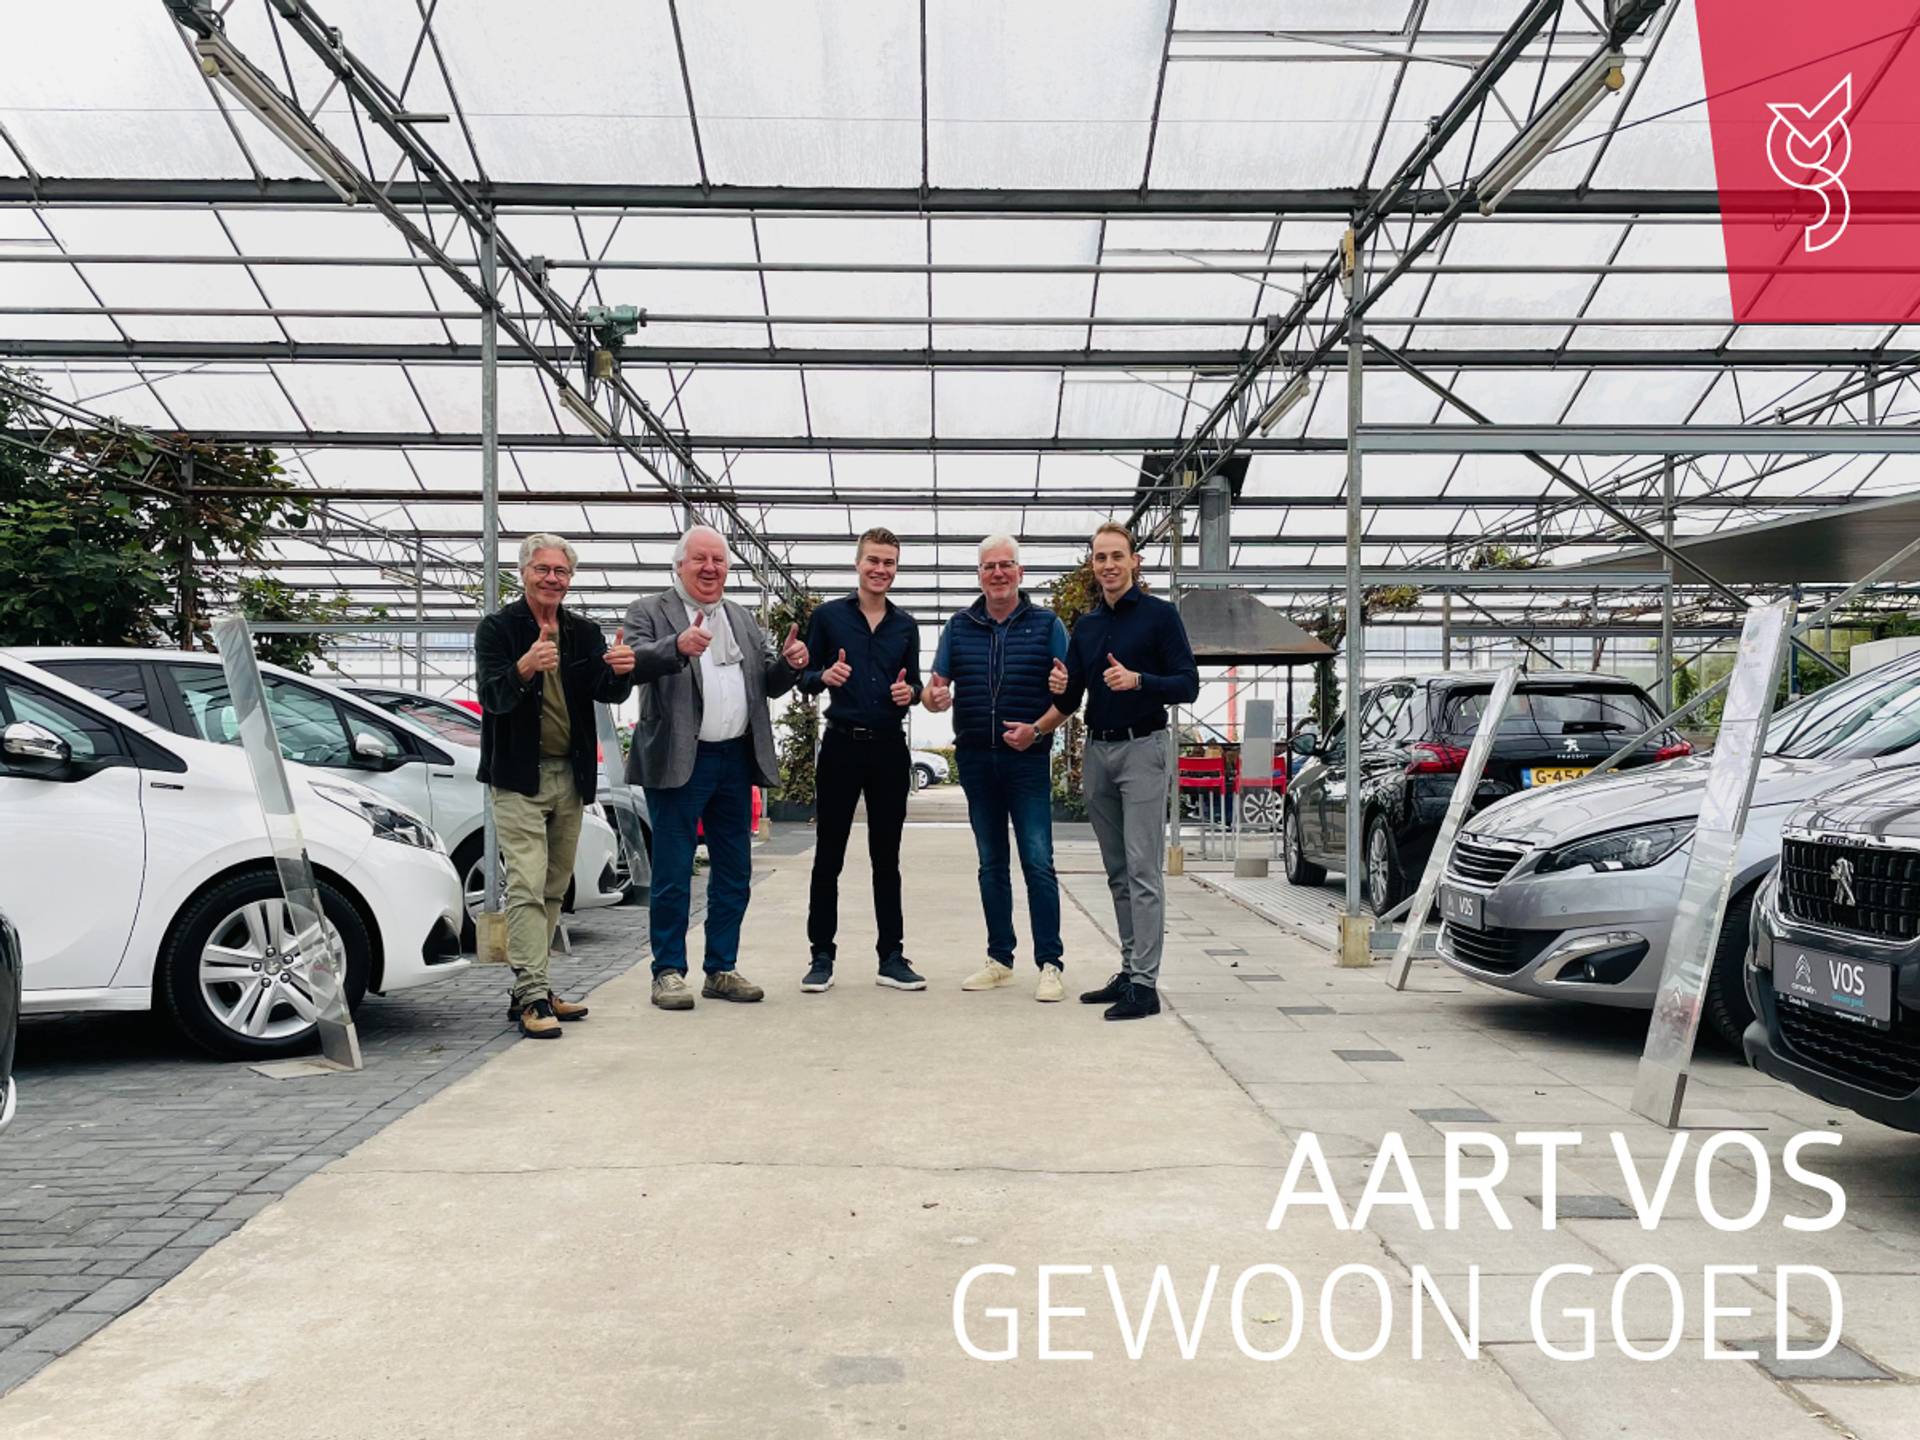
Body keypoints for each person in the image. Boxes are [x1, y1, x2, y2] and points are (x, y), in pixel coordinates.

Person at [1012, 522, 1199, 1021]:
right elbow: (1071, 696)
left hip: (1143, 749)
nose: (1109, 565)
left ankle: (1146, 986)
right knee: (1117, 871)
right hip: (1099, 750)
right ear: (1092, 565)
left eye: (1118, 556)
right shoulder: (1088, 626)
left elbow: (1188, 684)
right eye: (1101, 557)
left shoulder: (1161, 617)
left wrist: (1139, 681)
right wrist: (1054, 695)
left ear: (1135, 561)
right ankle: (1130, 968)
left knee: (1142, 870)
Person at [623, 525, 810, 1011]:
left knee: (734, 870)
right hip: (678, 759)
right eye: (700, 559)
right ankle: (668, 971)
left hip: (734, 760)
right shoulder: (649, 610)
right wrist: (675, 646)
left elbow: (766, 682)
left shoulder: (741, 618)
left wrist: (791, 664)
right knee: (673, 871)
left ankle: (721, 968)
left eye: (719, 561)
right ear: (679, 565)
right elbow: (630, 663)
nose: (710, 568)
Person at [475, 533, 636, 1040]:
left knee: (553, 887)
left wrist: (622, 671)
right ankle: (533, 995)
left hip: (570, 775)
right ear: (523, 572)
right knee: (525, 882)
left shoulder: (583, 632)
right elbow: (492, 698)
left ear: (570, 579)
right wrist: (525, 666)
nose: (552, 579)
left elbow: (604, 691)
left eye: (561, 571)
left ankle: (533, 986)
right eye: (542, 569)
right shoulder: (498, 629)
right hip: (518, 776)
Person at [924, 535, 1070, 1002]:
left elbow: (1070, 695)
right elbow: (933, 691)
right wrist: (933, 698)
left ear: (1020, 573)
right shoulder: (959, 627)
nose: (998, 573)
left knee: (1038, 861)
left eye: (1006, 565)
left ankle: (1050, 963)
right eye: (989, 566)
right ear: (979, 575)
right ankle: (1000, 959)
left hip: (1027, 759)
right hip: (975, 759)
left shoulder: (1047, 625)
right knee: (991, 863)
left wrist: (1038, 730)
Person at [797, 527, 924, 994]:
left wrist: (909, 693)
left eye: (889, 562)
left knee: (887, 858)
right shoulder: (828, 617)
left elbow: (915, 684)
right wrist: (823, 676)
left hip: (889, 747)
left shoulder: (906, 625)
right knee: (828, 855)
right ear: (858, 563)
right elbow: (803, 676)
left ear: (896, 568)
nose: (880, 569)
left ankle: (891, 957)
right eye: (873, 560)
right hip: (841, 745)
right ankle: (821, 956)